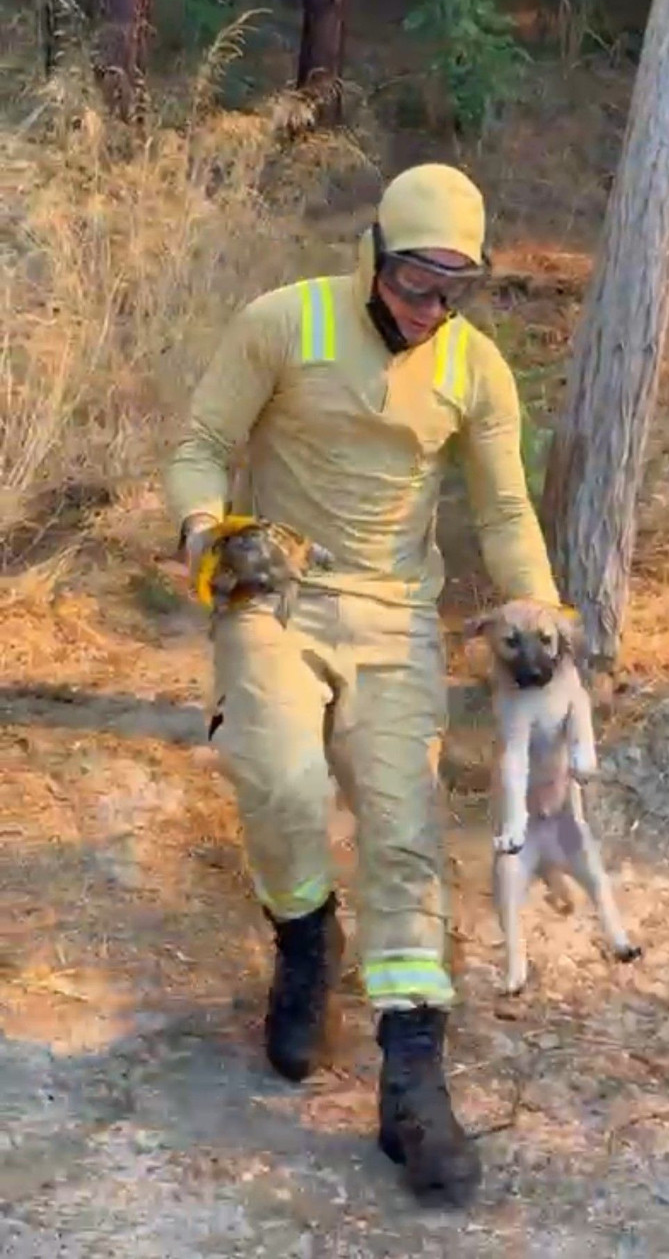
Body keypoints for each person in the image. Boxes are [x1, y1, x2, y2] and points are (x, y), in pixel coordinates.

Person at [165, 163, 562, 1207]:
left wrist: (535, 604)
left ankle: (412, 1074)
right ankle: (303, 940)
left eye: (452, 291)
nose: (427, 310)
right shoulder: (282, 324)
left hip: (393, 617)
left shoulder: (473, 369)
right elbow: (202, 448)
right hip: (274, 591)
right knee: (281, 779)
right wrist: (209, 531)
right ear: (372, 254)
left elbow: (506, 507)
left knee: (402, 826)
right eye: (412, 282)